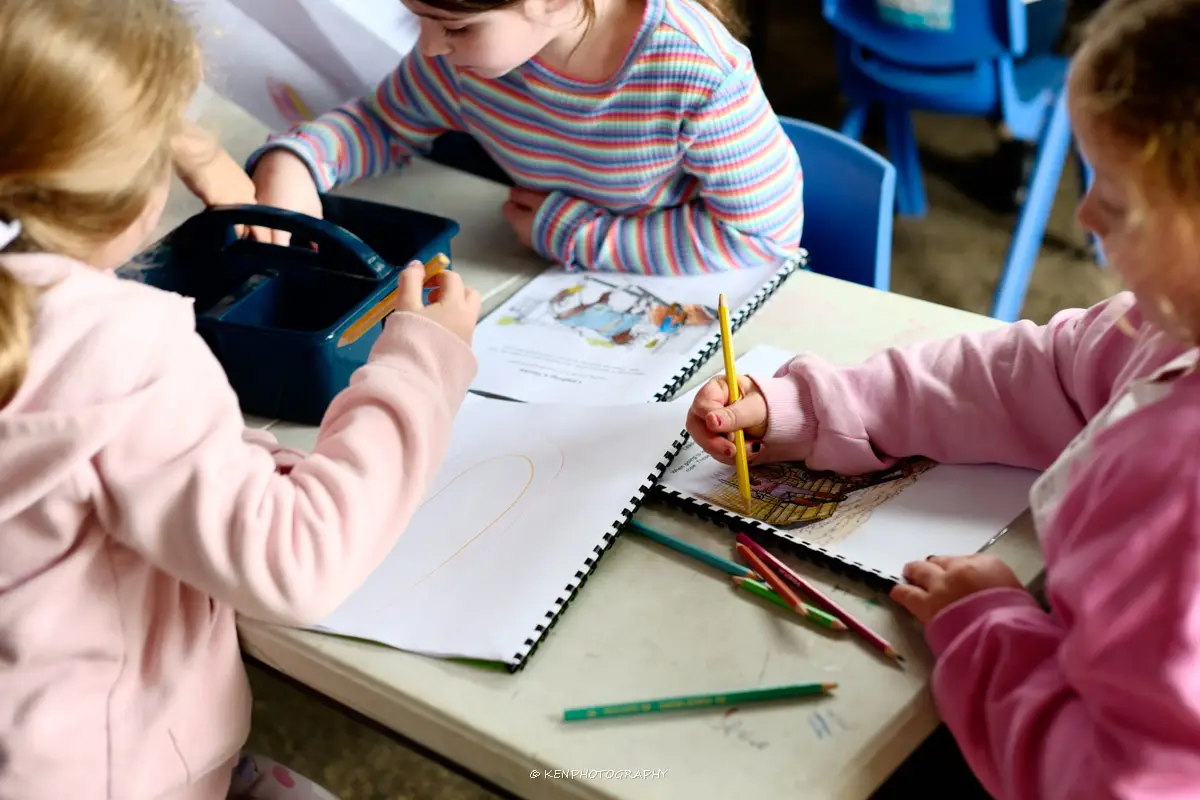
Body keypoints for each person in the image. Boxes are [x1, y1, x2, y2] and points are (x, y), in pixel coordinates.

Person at [687, 0, 1200, 797]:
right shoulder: (1167, 326)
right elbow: (1033, 374)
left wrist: (992, 628)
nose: (1086, 214)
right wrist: (808, 408)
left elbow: (1118, 781)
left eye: (1120, 200)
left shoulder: (1179, 493)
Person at [0, 1, 481, 798]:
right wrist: (424, 361)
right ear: (139, 190)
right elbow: (299, 564)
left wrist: (238, 457)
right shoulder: (119, 344)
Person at [248, 0, 804, 275]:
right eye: (416, 19)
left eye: (455, 28)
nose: (429, 47)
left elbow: (761, 236)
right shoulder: (457, 64)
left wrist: (567, 232)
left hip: (682, 301)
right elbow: (383, 122)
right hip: (534, 288)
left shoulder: (699, 74)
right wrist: (293, 161)